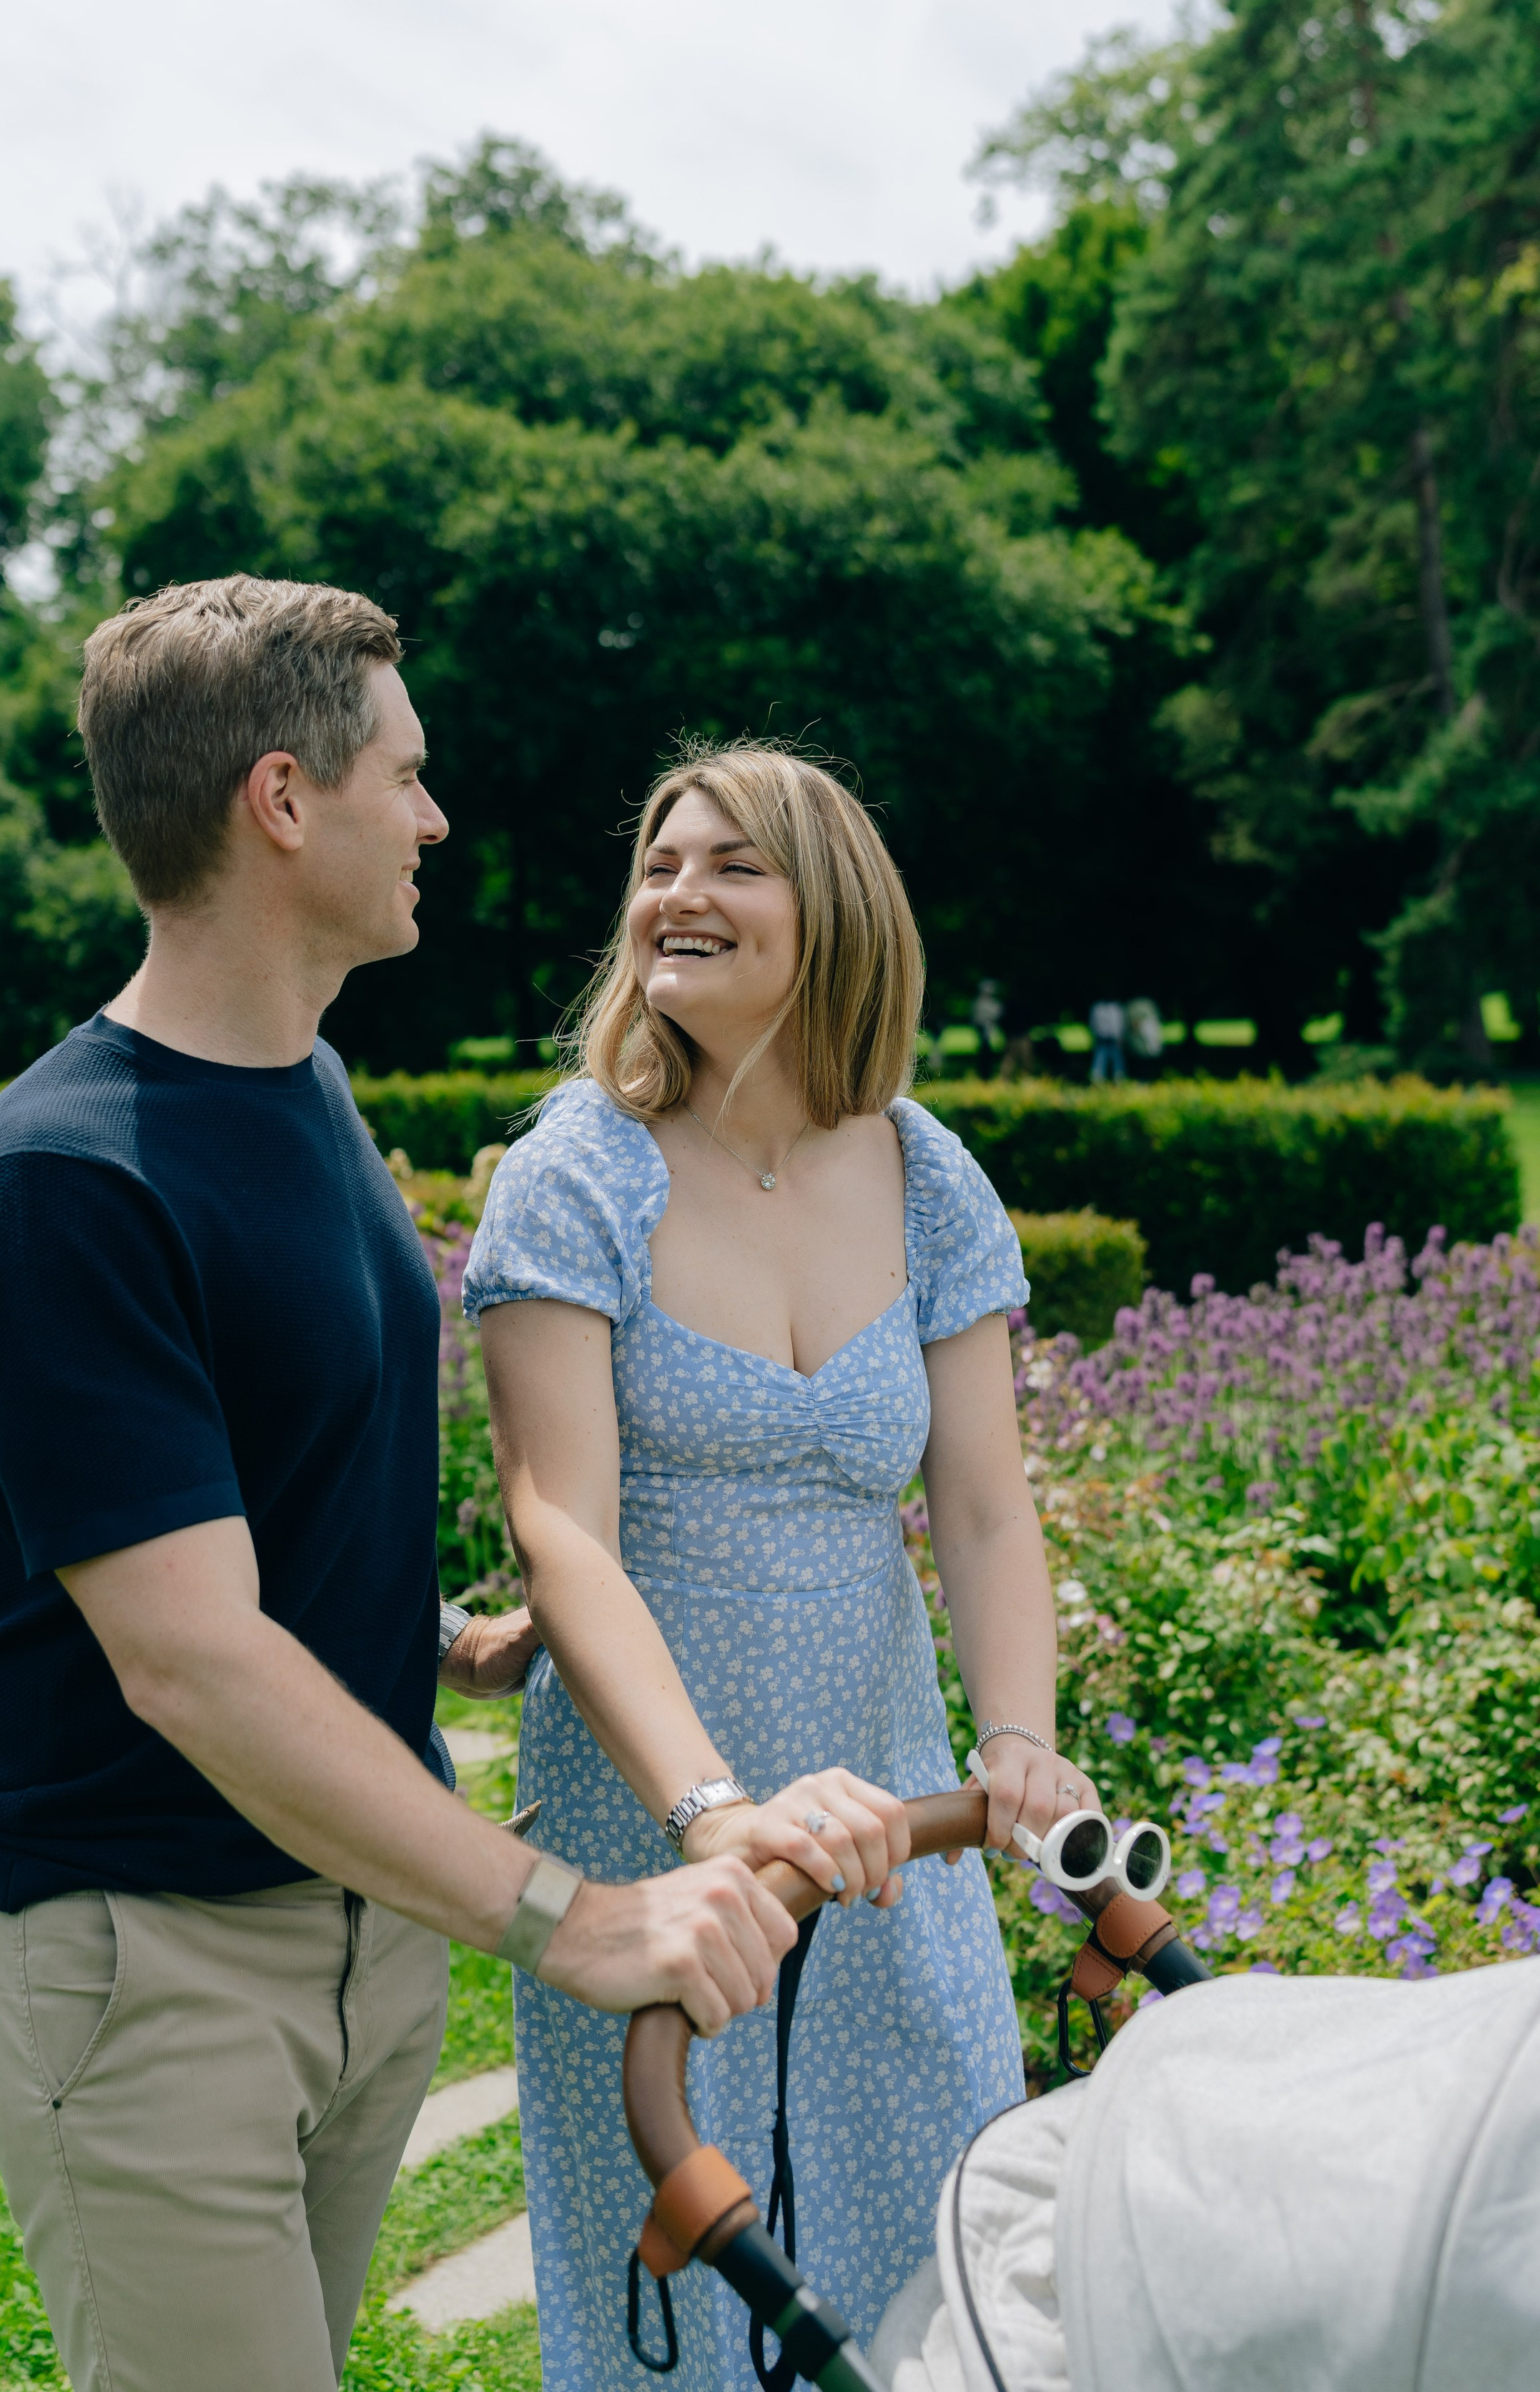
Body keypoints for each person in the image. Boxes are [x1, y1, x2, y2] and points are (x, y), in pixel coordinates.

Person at [0, 579, 795, 2392]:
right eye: (403, 774)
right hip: (150, 1962)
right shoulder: (67, 1175)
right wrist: (577, 1914)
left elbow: (253, 1486)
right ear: (279, 800)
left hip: (356, 1933)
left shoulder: (307, 1085)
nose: (434, 815)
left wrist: (431, 1635)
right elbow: (185, 1660)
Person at [464, 744, 1100, 2389]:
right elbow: (562, 1531)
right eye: (659, 862)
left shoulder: (925, 1173)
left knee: (936, 2260)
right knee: (678, 2277)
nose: (676, 891)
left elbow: (978, 1501)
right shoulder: (572, 1173)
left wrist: (1014, 1741)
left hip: (893, 1822)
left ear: (830, 906)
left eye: (730, 863)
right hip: (659, 1824)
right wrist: (706, 1813)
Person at [1088, 997, 1127, 1083]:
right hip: (1102, 1038)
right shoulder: (1098, 1007)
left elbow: (1120, 1024)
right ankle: (1097, 1079)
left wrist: (1120, 1036)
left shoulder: (1116, 1007)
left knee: (1117, 1059)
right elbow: (1093, 1023)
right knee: (1100, 1058)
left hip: (1114, 1038)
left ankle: (1119, 1078)